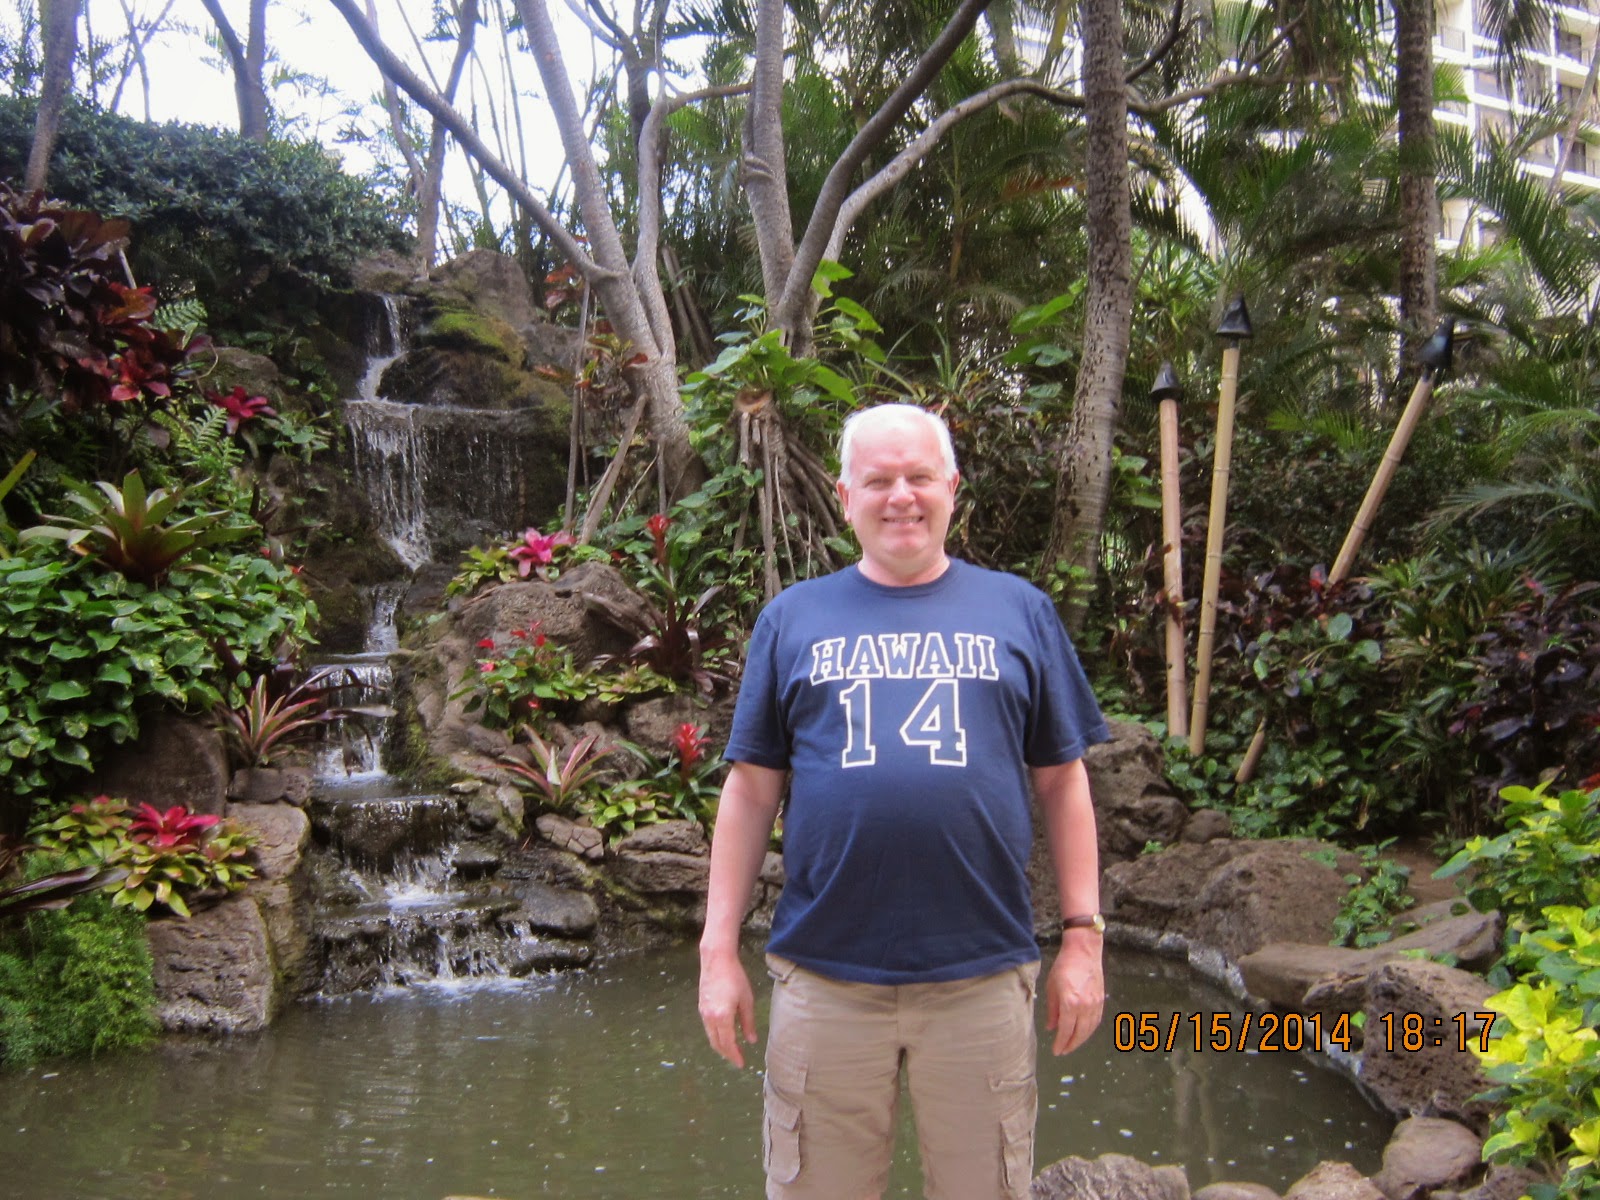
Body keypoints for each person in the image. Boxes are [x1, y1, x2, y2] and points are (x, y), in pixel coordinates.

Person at [698, 402, 1110, 1200]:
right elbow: (749, 792)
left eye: (919, 477)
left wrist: (1084, 940)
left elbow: (1063, 780)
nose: (901, 497)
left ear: (952, 487)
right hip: (823, 977)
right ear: (844, 494)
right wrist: (718, 953)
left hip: (982, 976)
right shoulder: (792, 620)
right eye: (878, 480)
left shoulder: (1019, 610)